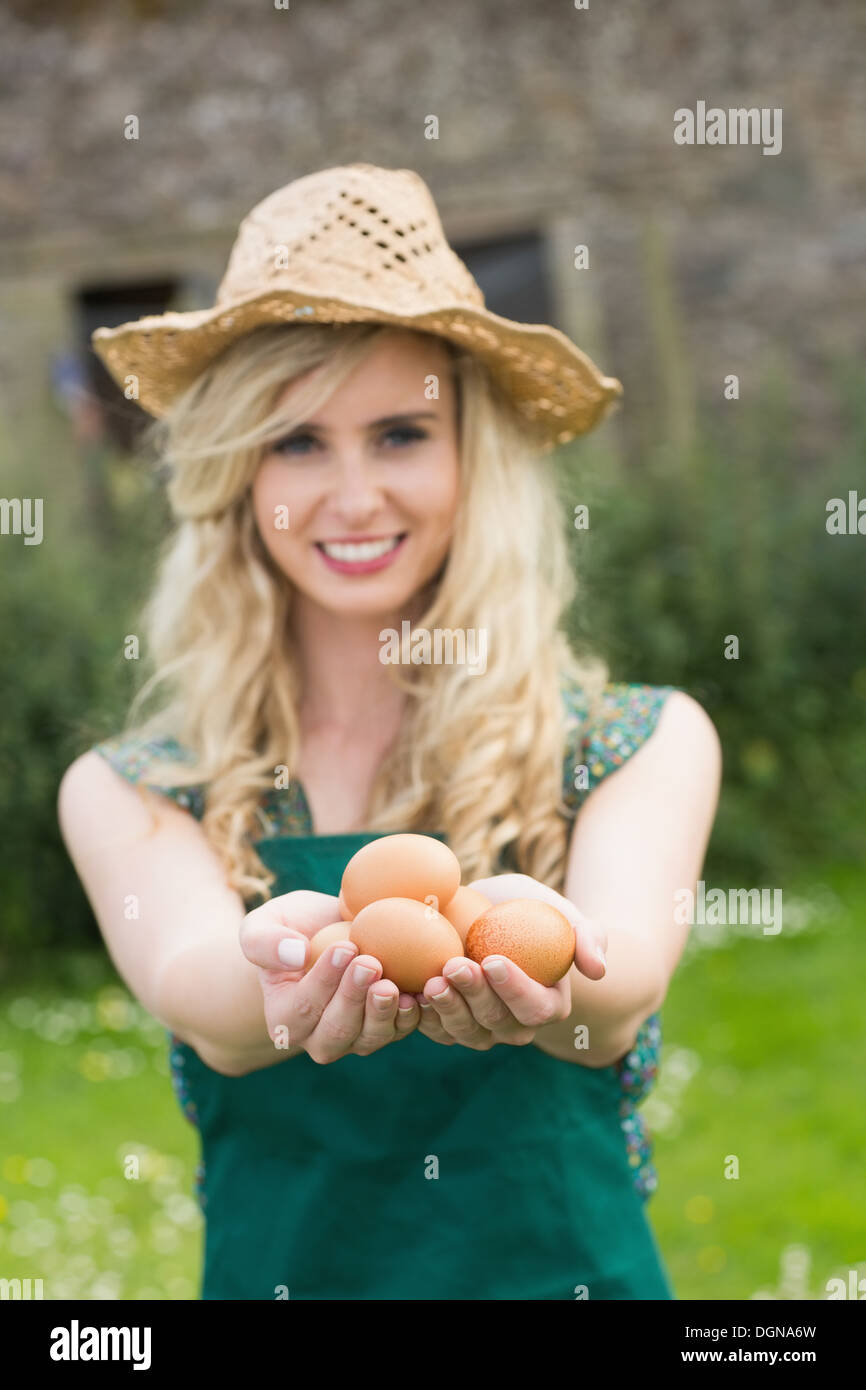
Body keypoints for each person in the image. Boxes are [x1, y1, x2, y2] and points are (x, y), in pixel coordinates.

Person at [58, 163, 721, 1300]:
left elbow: (621, 983)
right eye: (298, 442)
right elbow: (201, 995)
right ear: (233, 472)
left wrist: (546, 959)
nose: (353, 494)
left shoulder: (636, 743)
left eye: (401, 433)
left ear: (471, 459)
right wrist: (297, 960)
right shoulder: (137, 787)